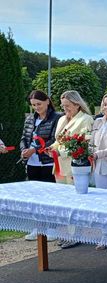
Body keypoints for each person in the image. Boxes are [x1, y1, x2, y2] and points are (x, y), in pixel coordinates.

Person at [47, 90, 94, 249]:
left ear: (77, 104)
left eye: (67, 106)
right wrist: (51, 148)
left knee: (75, 202)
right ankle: (65, 233)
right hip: (59, 165)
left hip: (76, 165)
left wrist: (61, 151)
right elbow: (58, 141)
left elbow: (84, 144)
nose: (64, 108)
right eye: (63, 106)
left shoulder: (86, 119)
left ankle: (76, 234)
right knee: (63, 202)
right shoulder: (61, 120)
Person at [19, 90, 62, 241]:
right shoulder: (30, 119)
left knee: (50, 196)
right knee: (35, 197)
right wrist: (24, 149)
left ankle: (52, 229)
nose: (36, 107)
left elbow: (54, 139)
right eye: (33, 105)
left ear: (47, 102)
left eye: (39, 104)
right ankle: (37, 228)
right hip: (32, 163)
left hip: (48, 162)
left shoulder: (57, 118)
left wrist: (35, 149)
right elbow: (24, 137)